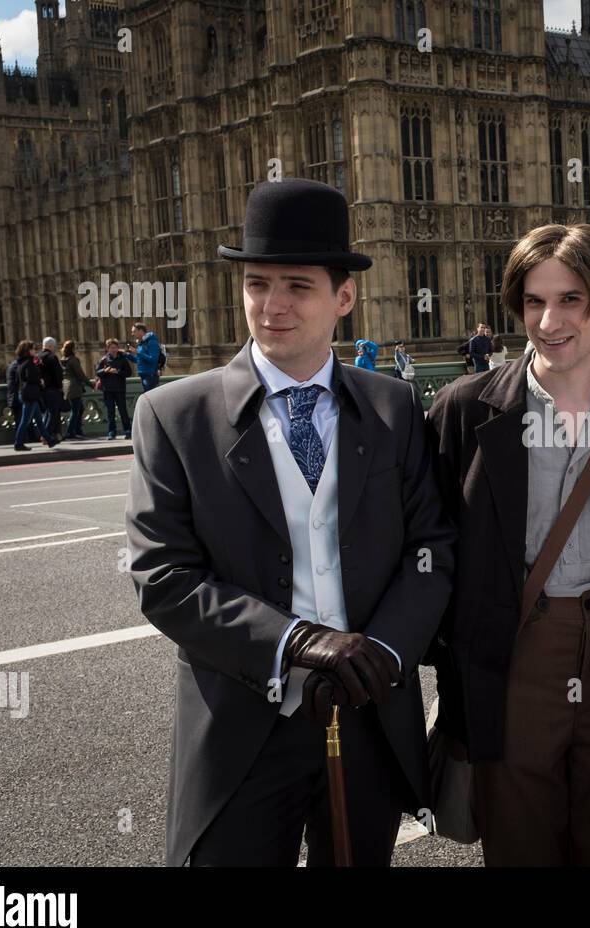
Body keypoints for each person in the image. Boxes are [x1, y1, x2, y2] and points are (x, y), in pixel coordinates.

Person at [126, 178, 456, 867]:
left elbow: (432, 547)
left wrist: (384, 654)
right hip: (243, 726)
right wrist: (296, 642)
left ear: (344, 296)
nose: (272, 306)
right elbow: (164, 578)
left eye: (297, 286)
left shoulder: (393, 408)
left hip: (368, 721)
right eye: (257, 284)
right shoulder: (174, 415)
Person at [427, 223, 590, 866]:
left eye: (570, 299)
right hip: (515, 655)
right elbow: (429, 550)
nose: (548, 320)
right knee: (521, 839)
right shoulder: (465, 409)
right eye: (534, 301)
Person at [12, 340, 58, 452]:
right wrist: (40, 381)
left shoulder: (20, 362)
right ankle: (18, 443)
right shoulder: (29, 362)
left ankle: (49, 440)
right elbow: (31, 377)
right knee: (25, 421)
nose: (35, 351)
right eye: (33, 348)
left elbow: (18, 379)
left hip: (24, 393)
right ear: (28, 350)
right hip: (30, 395)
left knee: (39, 420)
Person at [96, 338, 133, 439]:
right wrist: (105, 370)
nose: (114, 350)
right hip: (108, 389)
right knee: (110, 412)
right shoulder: (104, 360)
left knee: (123, 411)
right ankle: (112, 432)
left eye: (115, 347)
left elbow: (129, 373)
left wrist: (118, 372)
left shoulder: (123, 359)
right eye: (112, 348)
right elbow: (97, 372)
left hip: (120, 389)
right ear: (108, 349)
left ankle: (128, 430)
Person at [62, 341, 95, 440]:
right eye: (75, 348)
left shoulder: (63, 359)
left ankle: (77, 431)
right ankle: (71, 433)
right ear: (72, 349)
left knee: (80, 409)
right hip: (74, 387)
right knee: (76, 410)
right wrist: (91, 385)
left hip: (67, 387)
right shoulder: (73, 360)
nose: (77, 349)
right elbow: (80, 375)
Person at [37, 337, 66, 439]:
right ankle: (46, 435)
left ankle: (46, 434)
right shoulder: (52, 357)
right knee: (53, 413)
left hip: (40, 389)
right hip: (52, 389)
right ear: (51, 346)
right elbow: (58, 374)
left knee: (46, 413)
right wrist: (60, 387)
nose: (55, 348)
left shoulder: (37, 357)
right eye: (54, 347)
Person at [125, 322, 163, 391]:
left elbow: (153, 359)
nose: (132, 334)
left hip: (151, 375)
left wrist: (138, 353)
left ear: (141, 331)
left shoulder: (152, 342)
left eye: (134, 332)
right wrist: (127, 354)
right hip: (143, 375)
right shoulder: (141, 343)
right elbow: (138, 360)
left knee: (151, 398)